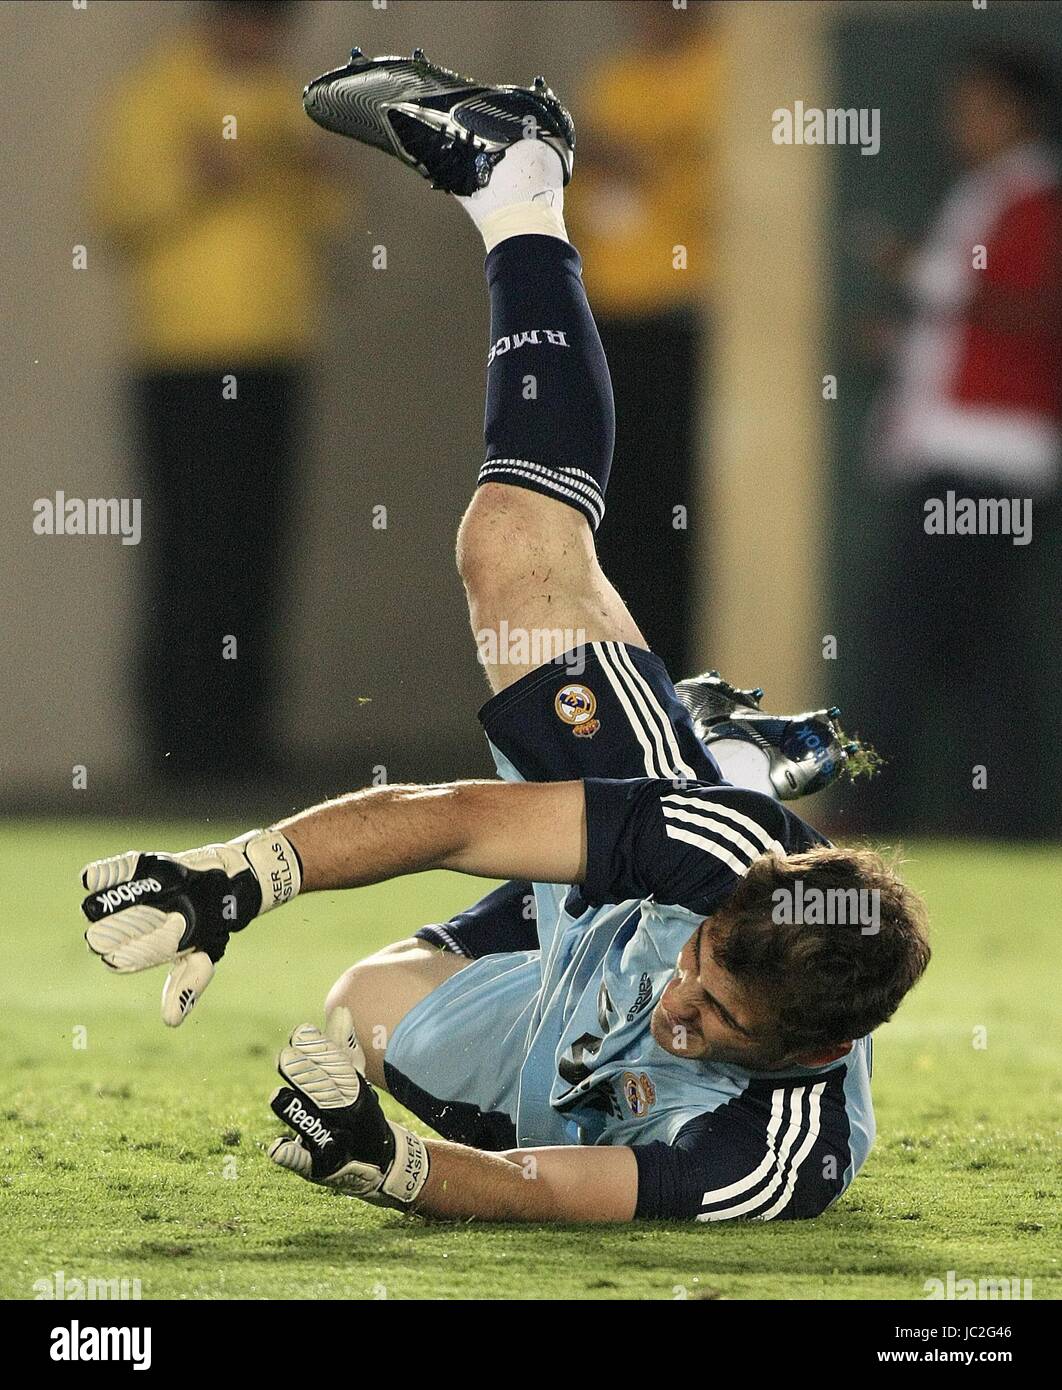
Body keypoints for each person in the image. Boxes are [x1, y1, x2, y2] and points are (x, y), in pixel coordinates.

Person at [78, 52, 929, 1225]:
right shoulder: (721, 865)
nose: (684, 1010)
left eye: (726, 1024)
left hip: (579, 971)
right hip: (646, 871)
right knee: (514, 550)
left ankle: (690, 774)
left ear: (827, 1045)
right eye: (706, 971)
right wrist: (240, 875)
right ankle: (518, 178)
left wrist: (390, 1164)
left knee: (357, 1014)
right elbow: (464, 817)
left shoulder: (783, 1154)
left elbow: (563, 1186)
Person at [89, 0, 346, 780]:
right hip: (185, 360)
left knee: (257, 548)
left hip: (275, 353)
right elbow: (114, 209)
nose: (259, 39)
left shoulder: (292, 102)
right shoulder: (157, 95)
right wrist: (192, 174)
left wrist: (317, 175)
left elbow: (334, 215)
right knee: (189, 550)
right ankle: (177, 743)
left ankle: (243, 740)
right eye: (246, 21)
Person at [857, 46, 1062, 838]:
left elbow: (1032, 311)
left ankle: (870, 812)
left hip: (991, 460)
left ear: (1015, 112)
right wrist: (902, 347)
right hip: (951, 449)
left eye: (976, 105)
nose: (959, 122)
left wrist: (919, 270)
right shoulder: (985, 194)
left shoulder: (1039, 197)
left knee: (911, 637)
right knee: (975, 646)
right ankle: (999, 818)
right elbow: (970, 327)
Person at [566, 0, 722, 677]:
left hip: (683, 317)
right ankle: (626, 680)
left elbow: (739, 197)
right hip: (607, 325)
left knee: (676, 509)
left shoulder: (730, 76)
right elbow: (571, 205)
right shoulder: (614, 80)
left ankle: (683, 678)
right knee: (610, 514)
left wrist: (649, 167)